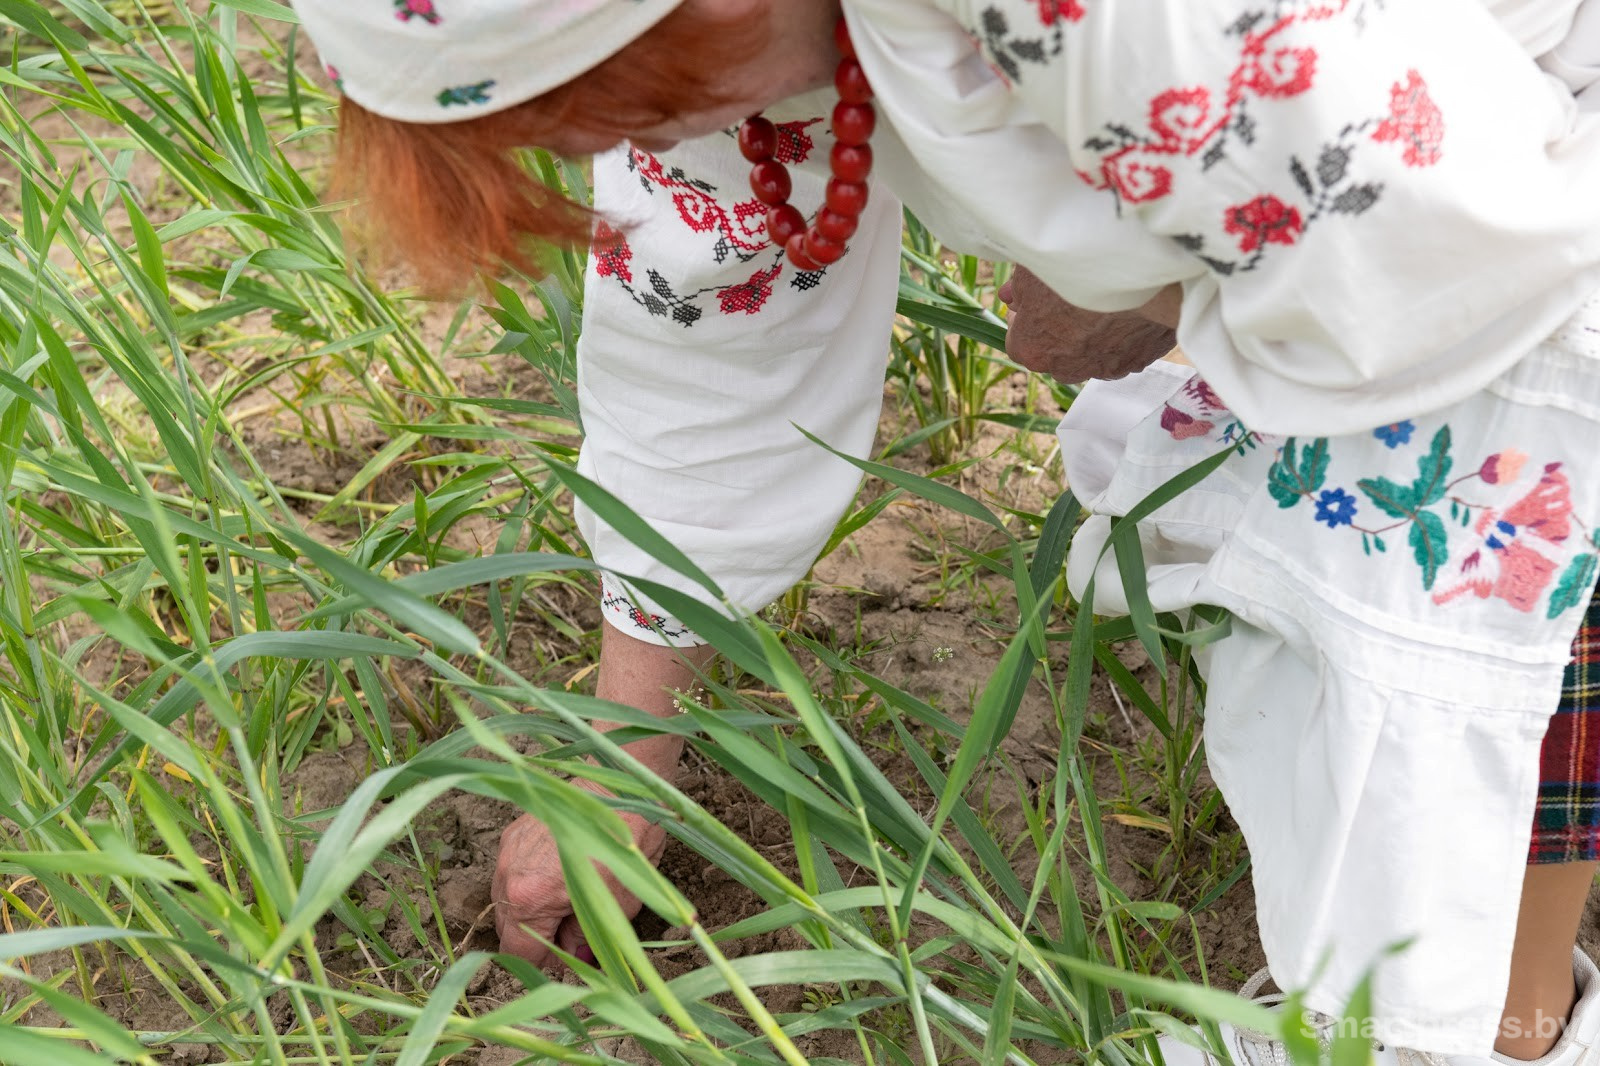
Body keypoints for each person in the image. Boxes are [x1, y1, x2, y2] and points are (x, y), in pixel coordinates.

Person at [289, 0, 1600, 1058]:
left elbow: (1471, 238)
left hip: (1515, 211)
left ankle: (1497, 1022)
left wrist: (1144, 308)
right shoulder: (699, 50)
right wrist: (627, 753)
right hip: (1334, 204)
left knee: (1450, 556)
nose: (610, 143)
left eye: (607, 110)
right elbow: (709, 347)